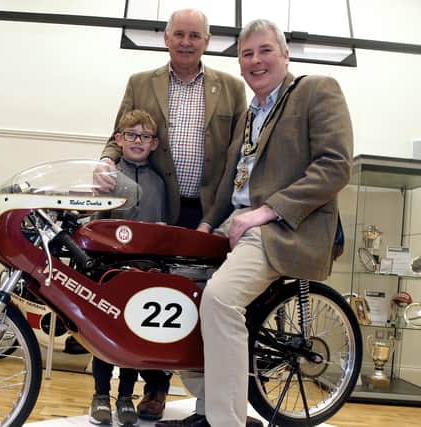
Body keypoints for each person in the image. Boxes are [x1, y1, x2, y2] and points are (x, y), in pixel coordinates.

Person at [155, 18, 353, 427]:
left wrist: (266, 211)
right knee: (183, 299)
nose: (255, 61)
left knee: (220, 299)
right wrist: (207, 225)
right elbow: (232, 179)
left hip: (284, 228)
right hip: (240, 225)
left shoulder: (317, 90)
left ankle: (225, 422)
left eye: (265, 51)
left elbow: (335, 167)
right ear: (240, 64)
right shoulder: (250, 114)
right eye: (247, 54)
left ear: (285, 54)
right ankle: (209, 406)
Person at [98, 8, 247, 420]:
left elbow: (237, 154)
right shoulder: (140, 83)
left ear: (207, 40)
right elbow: (116, 136)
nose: (186, 41)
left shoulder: (232, 88)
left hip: (207, 209)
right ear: (166, 38)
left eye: (194, 35)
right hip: (155, 204)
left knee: (196, 301)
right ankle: (145, 386)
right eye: (178, 34)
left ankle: (183, 396)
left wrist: (223, 212)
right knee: (149, 295)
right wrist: (106, 164)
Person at [89, 109, 166, 426]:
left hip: (142, 272)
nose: (137, 141)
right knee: (103, 338)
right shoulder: (107, 177)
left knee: (133, 336)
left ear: (155, 143)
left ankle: (125, 397)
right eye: (131, 135)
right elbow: (96, 222)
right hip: (108, 269)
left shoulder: (159, 184)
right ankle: (100, 395)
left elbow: (161, 228)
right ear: (118, 139)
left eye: (144, 136)